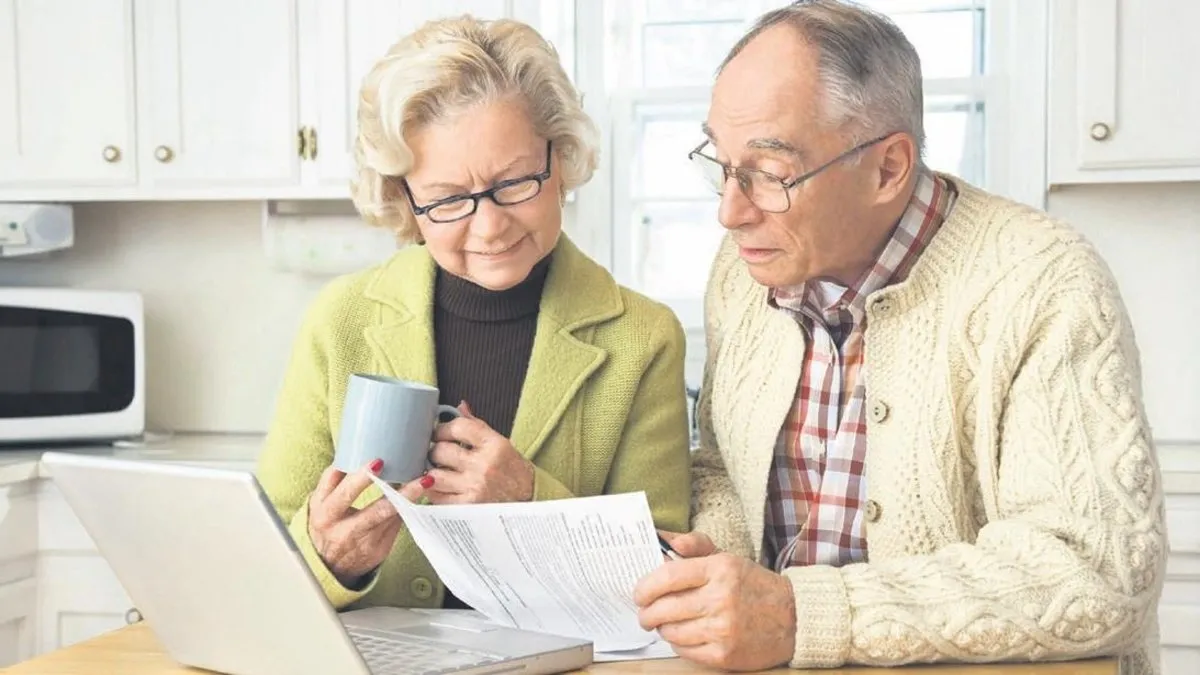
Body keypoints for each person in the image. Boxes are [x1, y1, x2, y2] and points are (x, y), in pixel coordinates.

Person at [632, 2, 1166, 673]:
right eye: (721, 161)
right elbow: (722, 465)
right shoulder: (743, 274)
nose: (729, 211)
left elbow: (1096, 572)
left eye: (768, 173)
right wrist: (718, 561)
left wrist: (800, 614)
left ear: (888, 168)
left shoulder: (1045, 280)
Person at [255, 15, 691, 612]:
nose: (490, 227)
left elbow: (666, 573)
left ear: (559, 158)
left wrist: (529, 499)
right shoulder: (342, 321)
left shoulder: (644, 338)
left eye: (514, 184)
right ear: (404, 200)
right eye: (449, 200)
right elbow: (263, 560)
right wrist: (329, 558)